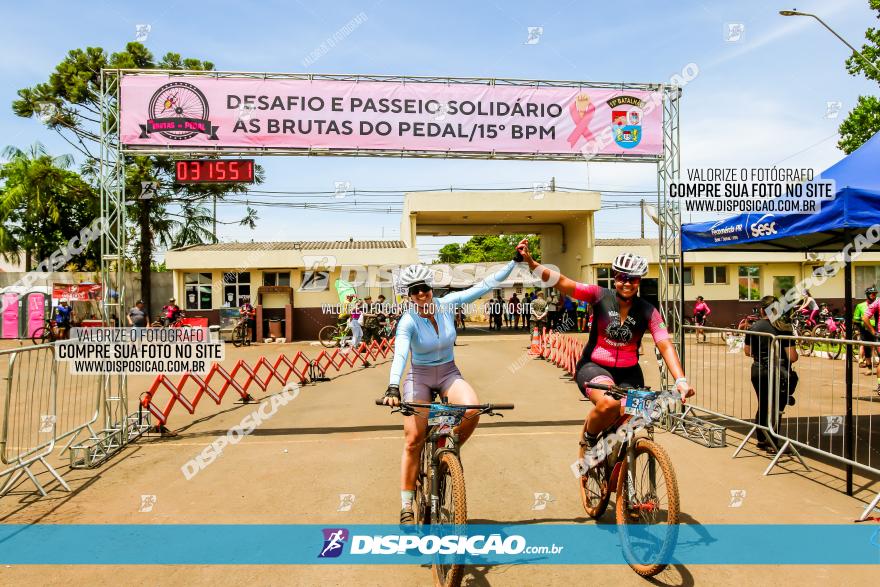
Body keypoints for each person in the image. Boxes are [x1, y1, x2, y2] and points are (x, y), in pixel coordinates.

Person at [380, 252, 518, 524]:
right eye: (415, 291)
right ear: (409, 295)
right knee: (412, 440)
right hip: (418, 377)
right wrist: (393, 386)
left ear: (432, 289)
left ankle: (447, 452)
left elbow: (485, 285)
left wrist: (514, 262)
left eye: (425, 289)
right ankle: (407, 504)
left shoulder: (447, 304)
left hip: (448, 372)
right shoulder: (408, 321)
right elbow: (400, 355)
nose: (422, 294)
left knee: (472, 410)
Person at [517, 243, 694, 453]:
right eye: (622, 277)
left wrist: (680, 381)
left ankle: (619, 464)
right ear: (614, 277)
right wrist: (531, 263)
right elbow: (563, 282)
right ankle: (590, 438)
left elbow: (664, 344)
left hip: (630, 373)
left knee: (635, 417)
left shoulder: (648, 310)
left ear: (639, 281)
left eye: (633, 279)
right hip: (594, 366)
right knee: (610, 405)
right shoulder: (599, 295)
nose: (627, 283)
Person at [744, 295, 799, 453]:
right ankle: (772, 442)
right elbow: (793, 357)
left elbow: (747, 352)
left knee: (763, 404)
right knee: (776, 408)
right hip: (777, 372)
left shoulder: (754, 327)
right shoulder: (784, 328)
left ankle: (762, 439)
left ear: (762, 310)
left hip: (757, 370)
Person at [855, 286, 877, 370]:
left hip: (877, 329)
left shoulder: (878, 304)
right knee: (867, 347)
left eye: (875, 294)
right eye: (872, 294)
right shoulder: (860, 306)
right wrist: (860, 326)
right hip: (865, 330)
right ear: (867, 295)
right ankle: (869, 368)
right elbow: (856, 319)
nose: (874, 296)